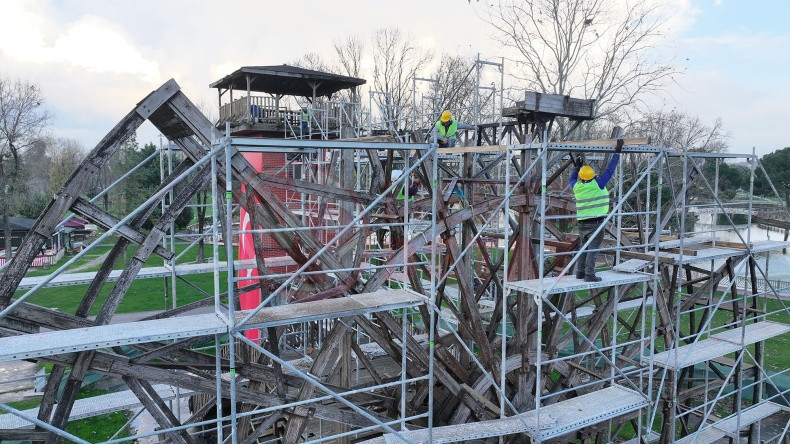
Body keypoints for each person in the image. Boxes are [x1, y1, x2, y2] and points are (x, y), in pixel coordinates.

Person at [569, 139, 623, 282]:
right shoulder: (598, 183)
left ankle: (579, 273)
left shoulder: (576, 186)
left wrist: (577, 166)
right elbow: (610, 170)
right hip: (596, 223)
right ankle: (589, 275)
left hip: (581, 223)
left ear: (581, 177)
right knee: (592, 249)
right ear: (593, 176)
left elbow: (571, 178)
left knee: (583, 247)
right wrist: (617, 153)